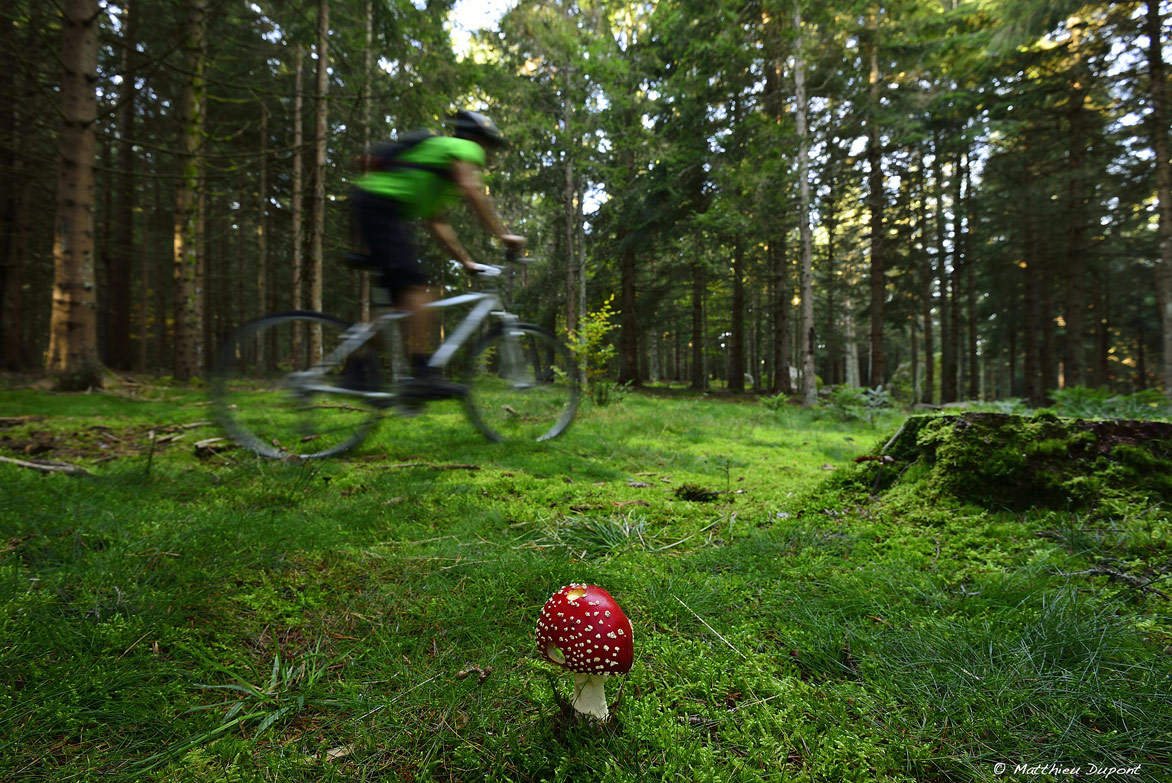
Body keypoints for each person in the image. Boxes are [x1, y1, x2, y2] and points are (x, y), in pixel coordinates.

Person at [351, 109, 526, 400]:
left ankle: (355, 370)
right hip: (380, 207)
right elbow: (473, 191)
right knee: (418, 291)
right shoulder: (462, 147)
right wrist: (502, 233)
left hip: (371, 206)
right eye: (489, 146)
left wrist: (467, 262)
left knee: (398, 305)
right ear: (479, 139)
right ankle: (423, 374)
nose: (486, 154)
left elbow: (438, 224)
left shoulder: (436, 172)